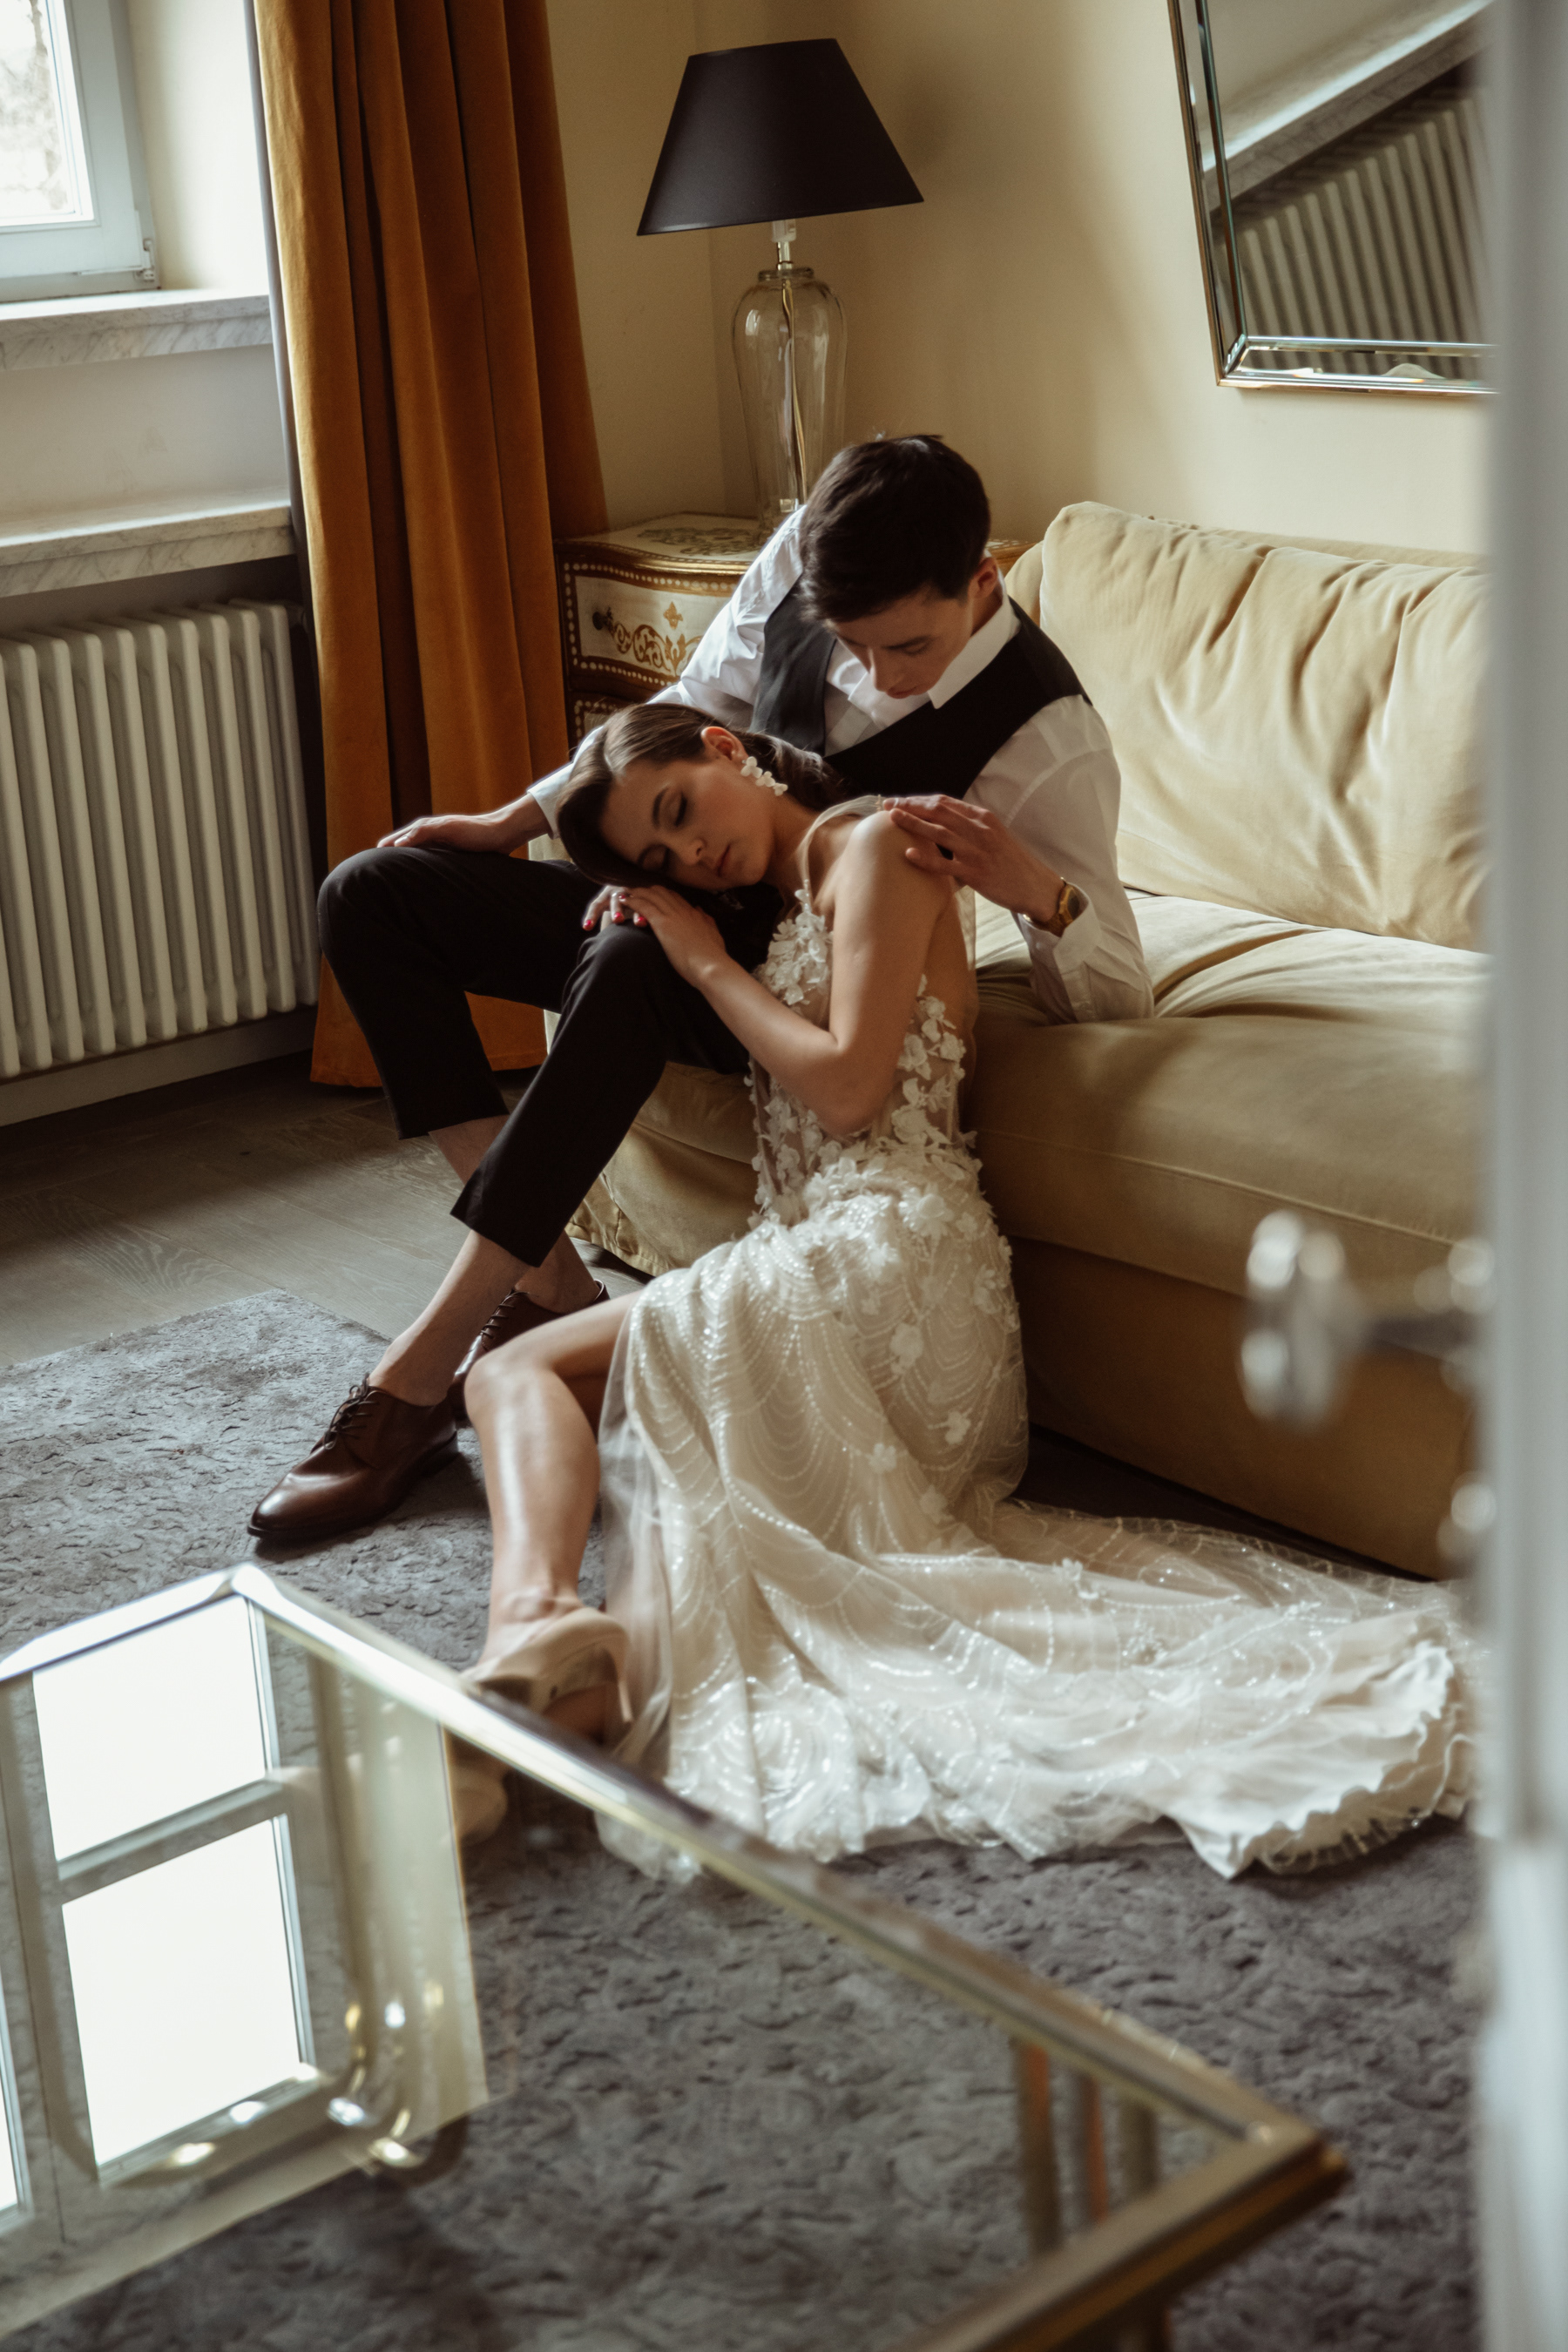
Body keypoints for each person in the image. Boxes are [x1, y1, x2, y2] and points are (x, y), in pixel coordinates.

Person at [452, 708, 1474, 1879]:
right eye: (661, 859)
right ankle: (538, 1685)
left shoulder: (877, 845)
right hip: (845, 1266)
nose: (691, 857)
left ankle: (529, 1626)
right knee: (688, 1528)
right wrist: (601, 883)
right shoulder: (793, 893)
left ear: (727, 749)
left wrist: (701, 963)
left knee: (515, 1372)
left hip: (896, 1260)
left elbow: (850, 1089)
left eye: (680, 813)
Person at [251, 436, 1153, 1544]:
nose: (876, 678)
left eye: (909, 647)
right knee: (373, 894)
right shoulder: (804, 558)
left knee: (631, 958)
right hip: (687, 889)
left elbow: (1117, 995)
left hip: (794, 992)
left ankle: (422, 1368)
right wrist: (514, 820)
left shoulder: (1047, 736)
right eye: (853, 645)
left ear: (984, 581)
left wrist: (1038, 893)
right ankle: (545, 1282)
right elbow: (684, 714)